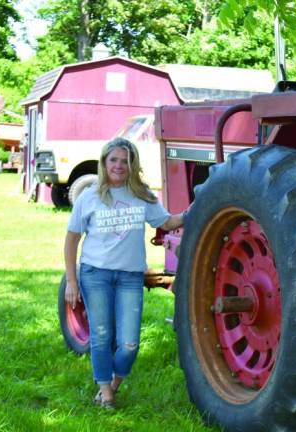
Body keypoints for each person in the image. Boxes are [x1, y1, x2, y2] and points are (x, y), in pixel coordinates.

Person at [63, 137, 186, 409]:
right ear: (104, 163)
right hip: (95, 274)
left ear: (132, 165)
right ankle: (106, 393)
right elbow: (72, 239)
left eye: (125, 161)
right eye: (113, 160)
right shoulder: (90, 196)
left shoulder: (141, 195)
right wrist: (71, 281)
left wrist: (192, 212)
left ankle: (114, 384)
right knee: (102, 335)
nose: (119, 166)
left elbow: (166, 221)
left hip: (130, 277)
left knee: (129, 343)